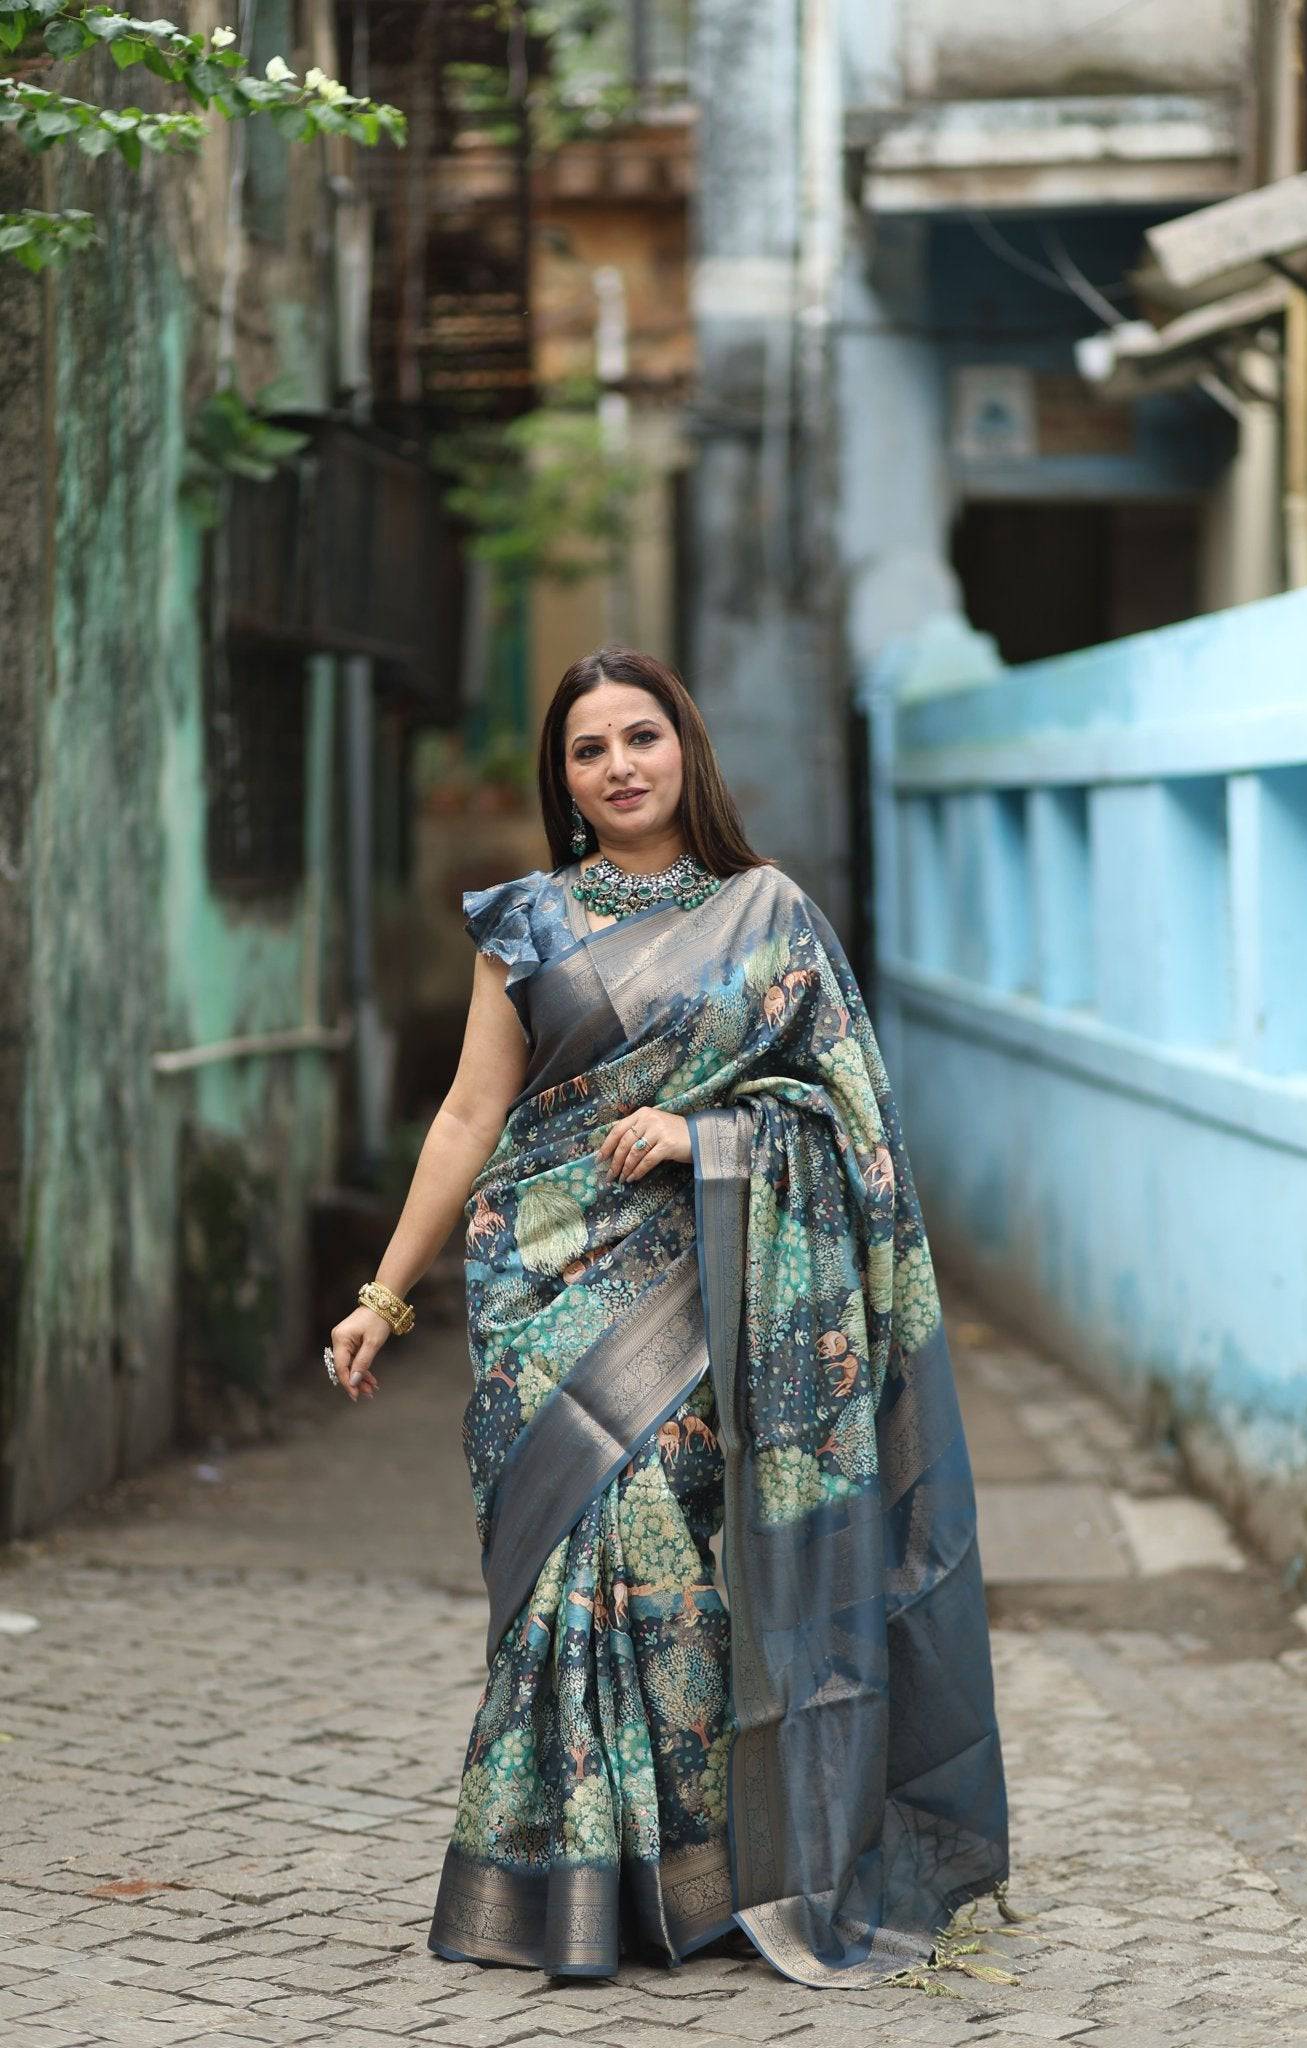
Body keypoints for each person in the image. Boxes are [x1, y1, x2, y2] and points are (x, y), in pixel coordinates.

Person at [325, 645, 1013, 1989]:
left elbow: (849, 1116)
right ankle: (561, 1893)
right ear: (564, 781)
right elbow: (471, 1114)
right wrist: (384, 1295)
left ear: (685, 749)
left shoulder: (769, 918)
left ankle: (692, 1887)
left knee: (669, 1572)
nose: (620, 765)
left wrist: (710, 1135)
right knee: (567, 1584)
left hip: (712, 1289)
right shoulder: (523, 920)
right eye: (589, 750)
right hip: (540, 1292)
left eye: (641, 736)